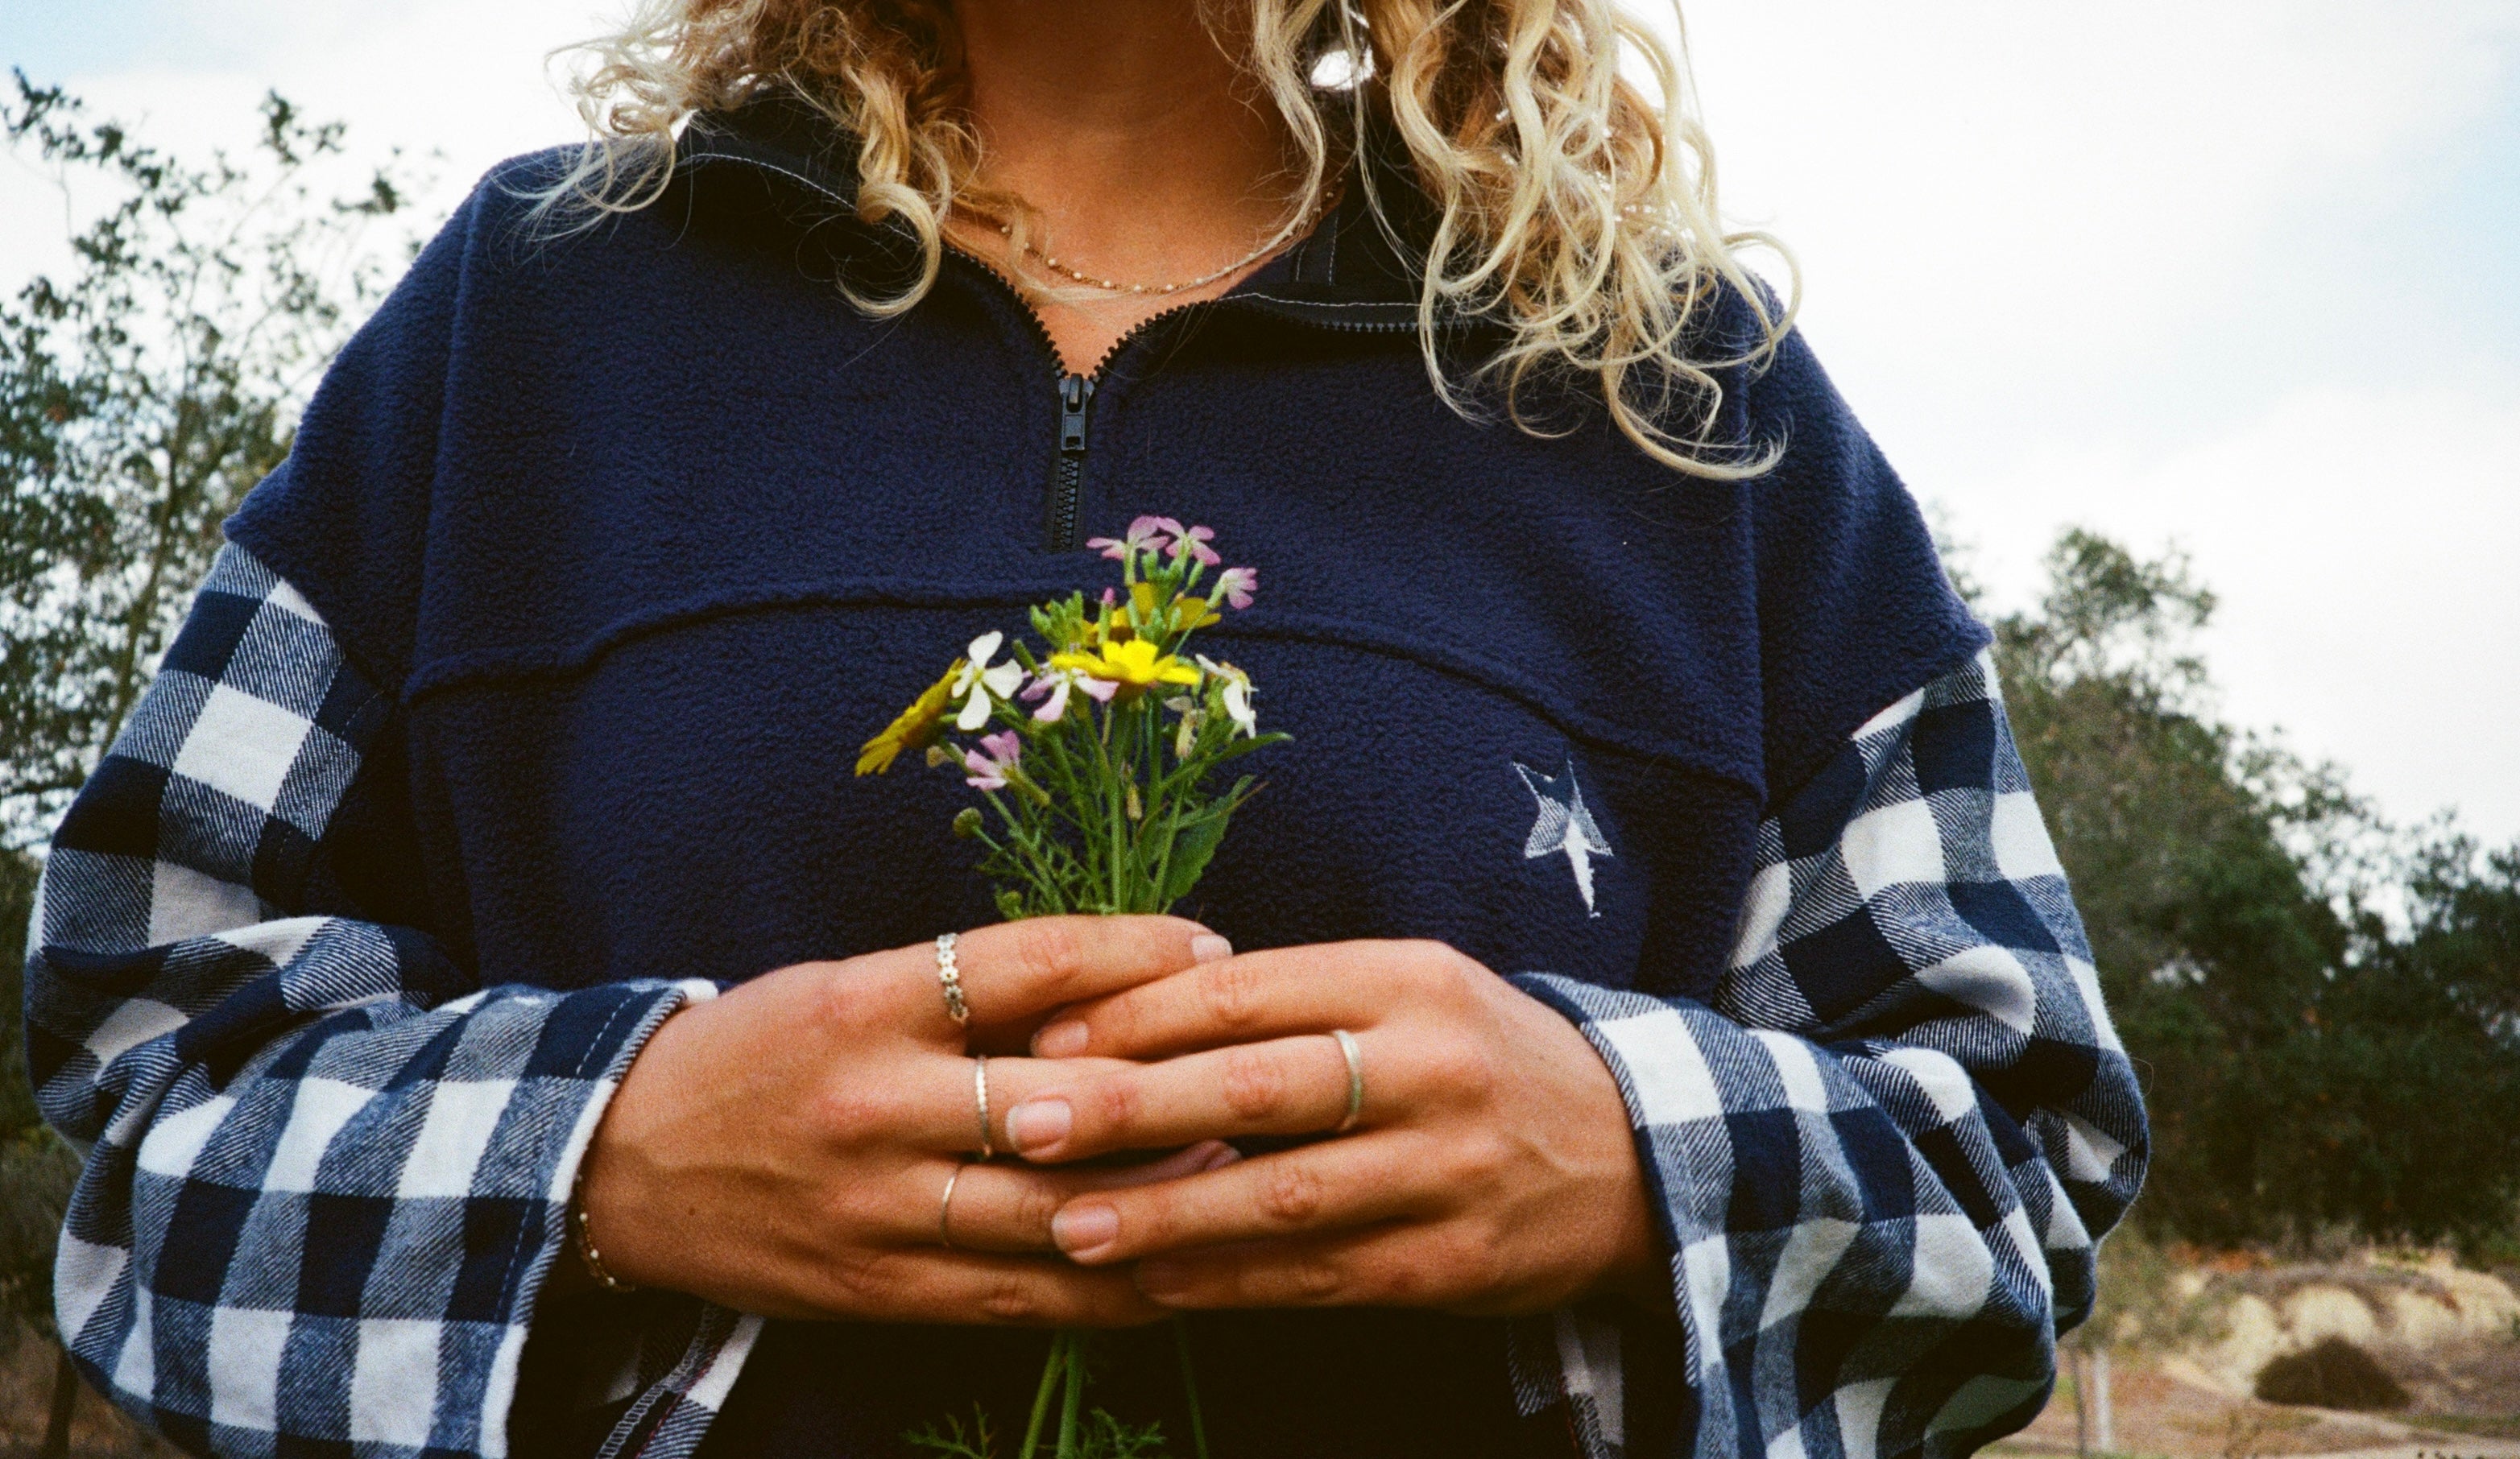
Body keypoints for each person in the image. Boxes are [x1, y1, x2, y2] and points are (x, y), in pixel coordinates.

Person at [23, 2, 2147, 1456]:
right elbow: (143, 1092)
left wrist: (1625, 1157)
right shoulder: (530, 320)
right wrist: (606, 1152)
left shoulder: (1690, 397)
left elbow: (2020, 1149)